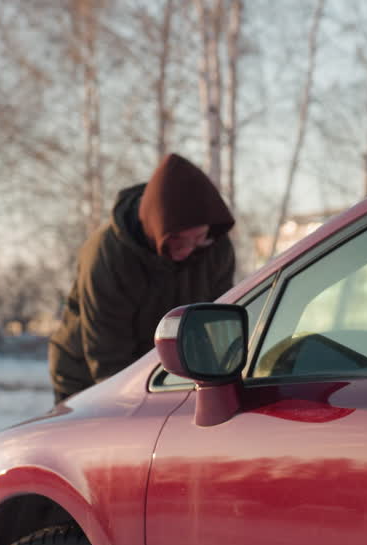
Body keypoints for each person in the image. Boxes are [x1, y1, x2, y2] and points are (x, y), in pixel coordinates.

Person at [49, 153, 236, 402]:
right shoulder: (107, 255)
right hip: (87, 376)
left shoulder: (214, 249)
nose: (190, 249)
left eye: (199, 238)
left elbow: (217, 324)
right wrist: (130, 403)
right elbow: (107, 351)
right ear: (159, 230)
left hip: (167, 373)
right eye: (179, 240)